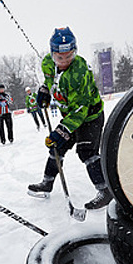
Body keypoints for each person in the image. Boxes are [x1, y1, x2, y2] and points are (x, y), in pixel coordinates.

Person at [28, 27, 113, 210]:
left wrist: (63, 130)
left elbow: (80, 110)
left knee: (86, 152)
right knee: (56, 146)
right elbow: (52, 80)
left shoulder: (79, 72)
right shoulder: (47, 64)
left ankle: (106, 191)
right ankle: (47, 183)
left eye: (69, 56)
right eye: (60, 57)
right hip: (70, 116)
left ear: (75, 51)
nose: (65, 61)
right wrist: (44, 90)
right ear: (52, 55)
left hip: (89, 116)